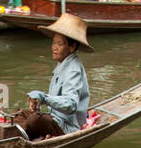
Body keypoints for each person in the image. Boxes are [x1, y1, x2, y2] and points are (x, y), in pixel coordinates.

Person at [12, 13, 92, 141]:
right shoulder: (63, 65)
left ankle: (21, 137)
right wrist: (38, 102)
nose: (54, 47)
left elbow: (70, 104)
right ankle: (22, 132)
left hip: (68, 126)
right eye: (54, 43)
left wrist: (44, 98)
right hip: (55, 118)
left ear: (72, 47)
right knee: (18, 113)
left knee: (35, 120)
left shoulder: (73, 69)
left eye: (59, 44)